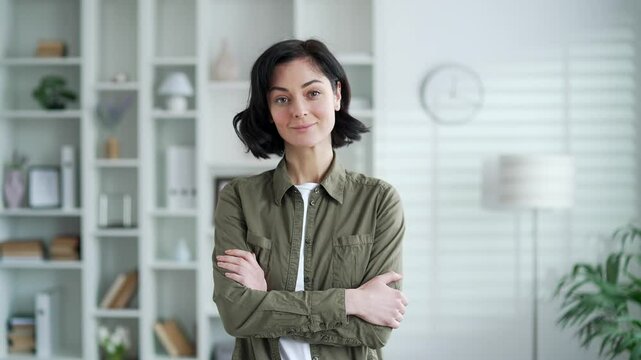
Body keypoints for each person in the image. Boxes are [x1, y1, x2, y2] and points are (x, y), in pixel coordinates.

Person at [213, 39, 407, 360]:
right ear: (270, 110)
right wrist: (352, 302)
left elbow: (375, 330)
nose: (299, 109)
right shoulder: (238, 198)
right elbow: (237, 316)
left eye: (312, 92)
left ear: (337, 95)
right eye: (282, 98)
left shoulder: (379, 201)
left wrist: (265, 301)